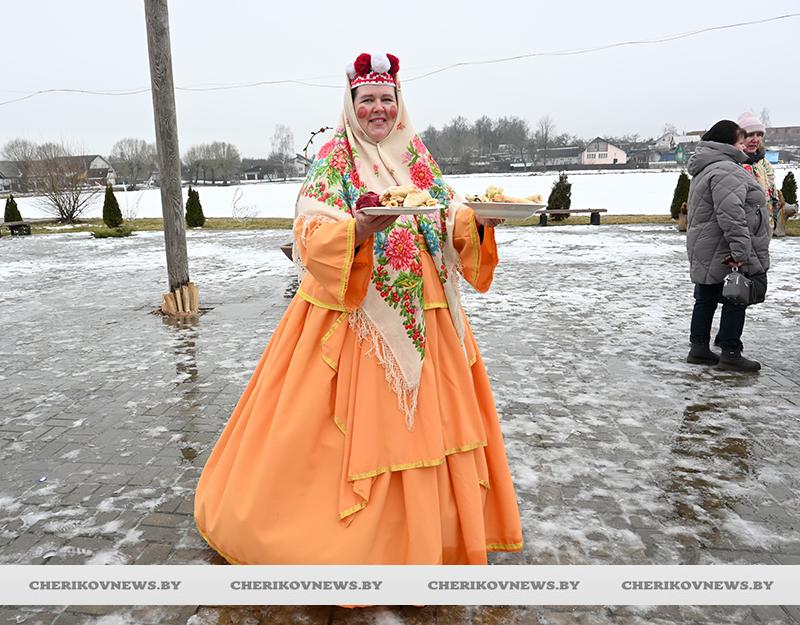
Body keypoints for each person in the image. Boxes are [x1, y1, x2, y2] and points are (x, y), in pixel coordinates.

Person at [194, 52, 523, 564]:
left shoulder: (416, 154)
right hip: (356, 308)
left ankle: (430, 537)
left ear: (399, 103)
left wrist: (477, 222)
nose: (378, 109)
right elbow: (308, 227)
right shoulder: (335, 157)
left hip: (428, 306)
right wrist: (358, 230)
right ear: (351, 105)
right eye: (366, 99)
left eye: (386, 99)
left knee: (433, 424)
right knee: (353, 428)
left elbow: (446, 212)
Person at [685, 120, 770, 372]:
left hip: (707, 243)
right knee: (736, 297)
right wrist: (741, 252)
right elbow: (732, 216)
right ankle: (731, 352)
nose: (744, 146)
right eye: (740, 142)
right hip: (725, 247)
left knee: (706, 296)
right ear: (727, 144)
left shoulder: (706, 166)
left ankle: (699, 348)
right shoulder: (726, 170)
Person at [737, 111, 780, 235]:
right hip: (743, 230)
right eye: (750, 135)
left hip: (765, 227)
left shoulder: (764, 163)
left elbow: (771, 193)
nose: (755, 140)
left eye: (759, 135)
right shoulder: (733, 163)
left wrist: (773, 217)